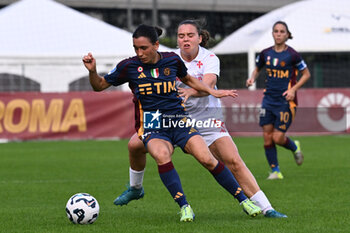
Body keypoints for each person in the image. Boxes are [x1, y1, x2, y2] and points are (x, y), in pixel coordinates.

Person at [83, 24, 261, 222]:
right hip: (153, 124)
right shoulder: (128, 66)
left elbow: (189, 80)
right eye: (136, 48)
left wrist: (212, 91)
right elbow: (99, 85)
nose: (139, 53)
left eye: (144, 48)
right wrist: (93, 71)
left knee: (207, 159)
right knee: (161, 155)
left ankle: (244, 201)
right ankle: (184, 207)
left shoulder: (172, 60)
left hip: (178, 120)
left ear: (156, 45)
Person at [114, 20, 286, 218]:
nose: (185, 39)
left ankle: (267, 208)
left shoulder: (210, 58)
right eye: (181, 36)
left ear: (200, 38)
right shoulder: (166, 57)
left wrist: (190, 92)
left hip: (206, 119)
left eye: (190, 35)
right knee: (134, 146)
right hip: (171, 118)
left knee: (233, 161)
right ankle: (135, 189)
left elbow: (208, 84)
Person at [246, 21, 311, 180]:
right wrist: (252, 78)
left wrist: (293, 90)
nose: (279, 34)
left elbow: (306, 74)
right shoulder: (265, 53)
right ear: (273, 34)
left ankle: (294, 147)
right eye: (276, 31)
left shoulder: (293, 55)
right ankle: (275, 171)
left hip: (286, 102)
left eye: (282, 31)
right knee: (267, 136)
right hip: (268, 100)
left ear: (287, 35)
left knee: (277, 138)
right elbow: (258, 68)